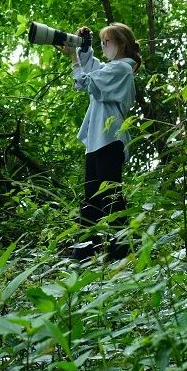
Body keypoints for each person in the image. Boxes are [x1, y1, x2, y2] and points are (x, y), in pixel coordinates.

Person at [60, 22, 140, 262]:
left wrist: (74, 58)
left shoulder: (122, 69)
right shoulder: (112, 68)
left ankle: (120, 251)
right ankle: (87, 251)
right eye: (103, 42)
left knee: (110, 197)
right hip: (97, 141)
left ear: (122, 44)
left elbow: (87, 82)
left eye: (108, 42)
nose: (104, 46)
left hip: (109, 139)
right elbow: (93, 68)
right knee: (93, 196)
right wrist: (83, 46)